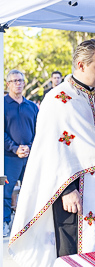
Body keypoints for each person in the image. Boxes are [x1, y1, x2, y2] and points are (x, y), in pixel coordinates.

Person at [9, 39, 95, 266]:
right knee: (73, 254)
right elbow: (50, 150)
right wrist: (66, 190)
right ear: (81, 65)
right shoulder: (57, 99)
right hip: (75, 191)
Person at [3, 70, 39, 237]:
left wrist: (30, 147)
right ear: (8, 84)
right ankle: (5, 222)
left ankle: (27, 224)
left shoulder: (32, 106)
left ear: (24, 83)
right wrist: (15, 148)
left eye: (20, 80)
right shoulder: (2, 105)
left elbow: (39, 130)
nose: (18, 83)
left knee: (31, 190)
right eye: (14, 80)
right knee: (4, 189)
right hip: (8, 158)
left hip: (30, 157)